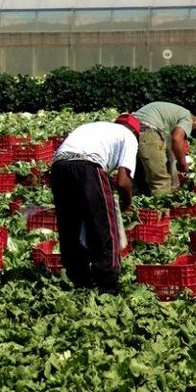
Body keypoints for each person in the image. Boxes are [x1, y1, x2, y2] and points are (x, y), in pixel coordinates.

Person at [49, 114, 140, 294]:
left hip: (59, 165)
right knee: (104, 225)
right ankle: (108, 285)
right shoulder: (129, 137)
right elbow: (123, 181)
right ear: (136, 133)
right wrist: (127, 202)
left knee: (70, 225)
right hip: (88, 165)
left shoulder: (97, 128)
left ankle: (79, 279)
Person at [132, 102, 196, 196]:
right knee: (161, 181)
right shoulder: (188, 118)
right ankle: (162, 209)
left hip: (132, 128)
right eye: (194, 130)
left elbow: (170, 146)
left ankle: (135, 206)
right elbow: (176, 139)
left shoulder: (176, 113)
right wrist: (182, 163)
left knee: (138, 178)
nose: (189, 132)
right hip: (147, 131)